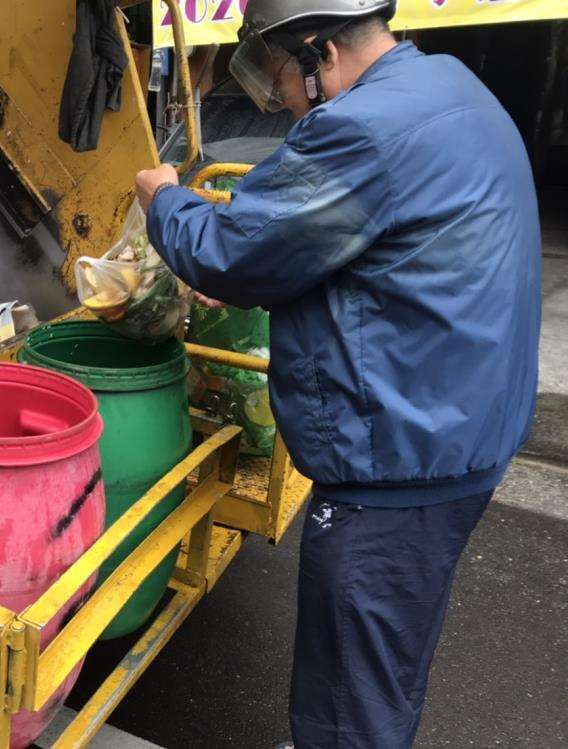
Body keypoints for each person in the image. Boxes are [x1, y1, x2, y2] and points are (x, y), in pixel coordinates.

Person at [134, 1, 541, 747]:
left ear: (321, 53)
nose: (285, 99)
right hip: (460, 431)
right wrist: (267, 265)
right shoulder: (449, 85)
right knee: (385, 661)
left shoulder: (362, 128)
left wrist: (165, 199)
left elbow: (228, 250)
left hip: (397, 465)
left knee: (349, 691)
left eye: (283, 75)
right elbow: (384, 243)